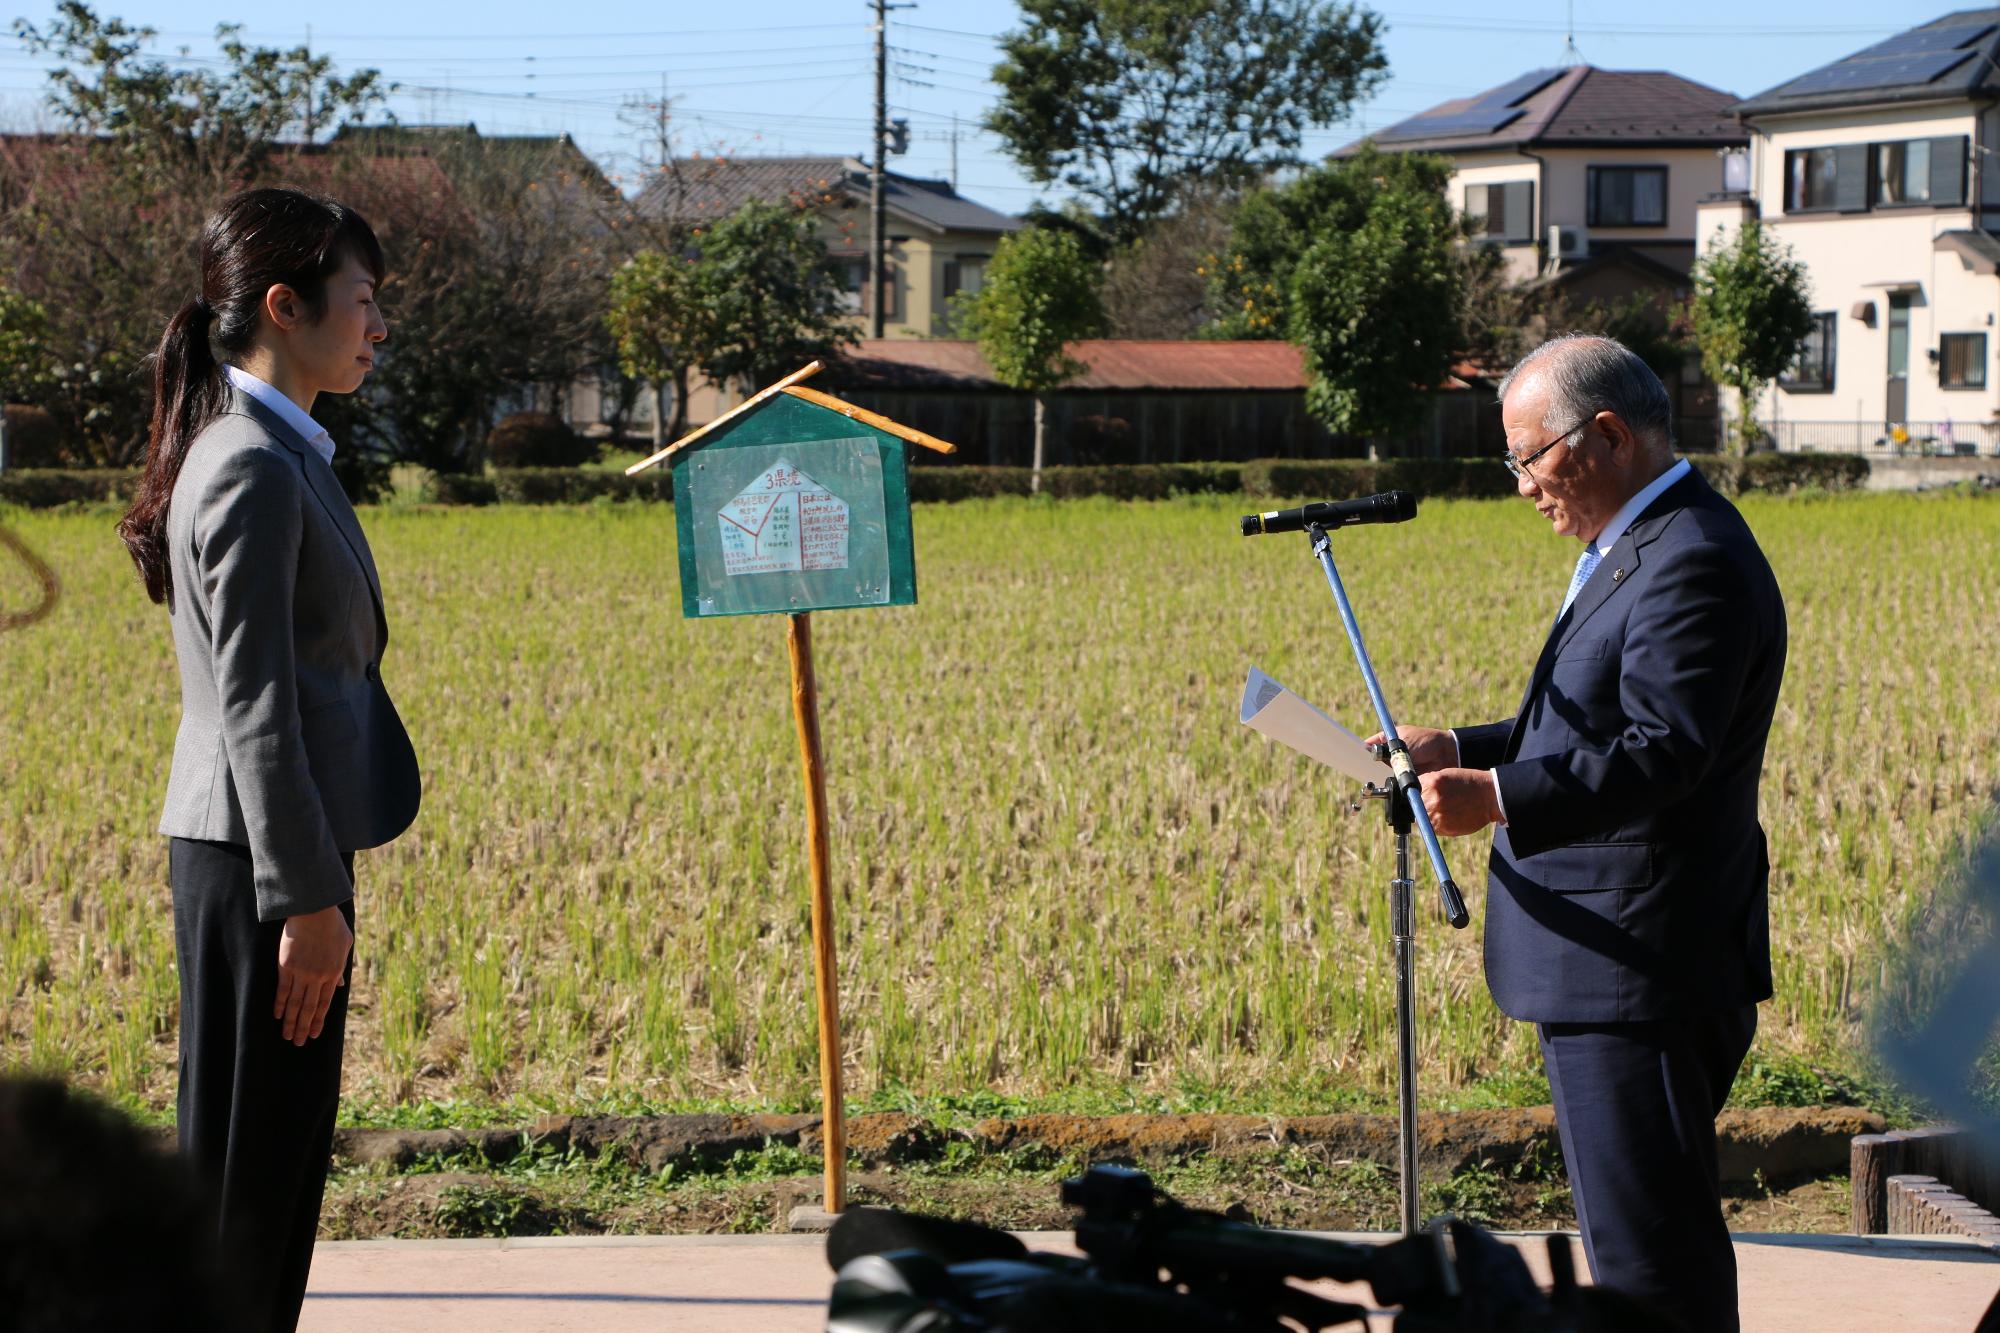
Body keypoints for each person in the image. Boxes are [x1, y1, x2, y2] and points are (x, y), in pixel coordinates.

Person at [1380, 334, 1785, 1332]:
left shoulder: (1687, 558)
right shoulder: (1637, 543)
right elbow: (1585, 721)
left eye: (1528, 457)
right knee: (1638, 1240)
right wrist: (1460, 746)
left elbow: (1660, 752)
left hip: (1635, 966)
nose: (1520, 484)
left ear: (1606, 435)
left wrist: (1499, 796)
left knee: (1653, 1265)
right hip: (1612, 959)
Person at [118, 187, 421, 1332]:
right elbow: (257, 705)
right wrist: (305, 897)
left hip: (257, 846)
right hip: (258, 860)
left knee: (267, 1168)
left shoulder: (267, 445)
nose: (376, 326)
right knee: (250, 1177)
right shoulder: (248, 459)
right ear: (285, 308)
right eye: (363, 300)